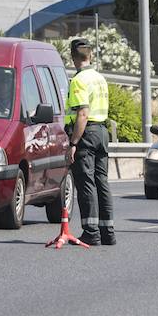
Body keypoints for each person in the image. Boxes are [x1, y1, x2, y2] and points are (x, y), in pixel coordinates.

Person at [65, 38, 115, 246]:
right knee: (101, 181)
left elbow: (83, 114)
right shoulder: (99, 78)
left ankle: (91, 231)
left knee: (86, 182)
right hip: (102, 132)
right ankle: (107, 232)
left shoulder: (79, 80)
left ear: (73, 57)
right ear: (90, 55)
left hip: (87, 133)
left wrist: (74, 142)